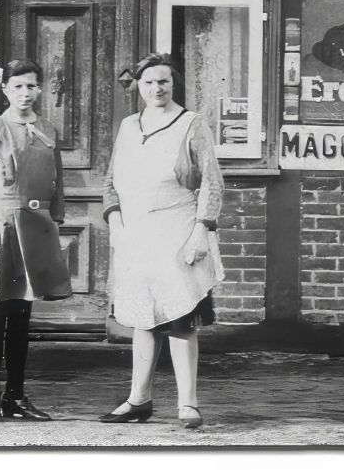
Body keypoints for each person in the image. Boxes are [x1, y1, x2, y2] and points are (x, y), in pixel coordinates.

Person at [99, 54, 223, 431]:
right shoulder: (128, 126)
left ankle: (188, 404)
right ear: (138, 85)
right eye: (149, 82)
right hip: (137, 232)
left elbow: (212, 181)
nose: (157, 88)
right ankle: (139, 400)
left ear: (173, 84)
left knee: (180, 318)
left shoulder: (191, 123)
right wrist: (116, 223)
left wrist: (201, 230)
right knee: (143, 318)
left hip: (177, 228)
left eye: (164, 81)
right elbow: (110, 182)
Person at [0, 58, 65, 421]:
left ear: (39, 89)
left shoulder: (48, 129)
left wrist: (55, 224)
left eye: (31, 86)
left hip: (35, 228)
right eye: (17, 86)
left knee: (22, 314)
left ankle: (16, 397)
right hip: (0, 228)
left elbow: (57, 183)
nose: (25, 93)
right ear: (5, 89)